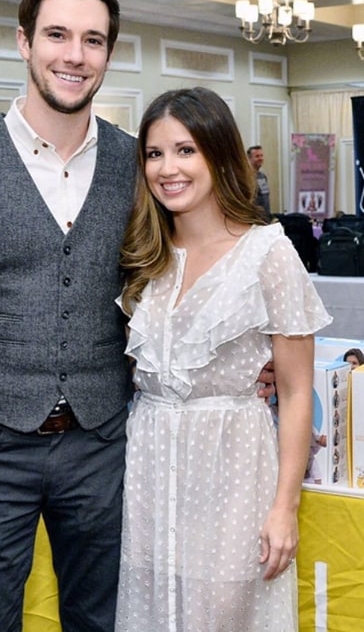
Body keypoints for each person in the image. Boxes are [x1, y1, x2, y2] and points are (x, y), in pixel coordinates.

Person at [0, 0, 276, 632]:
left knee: (106, 622)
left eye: (93, 40)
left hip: (107, 443)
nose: (74, 55)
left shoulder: (142, 167)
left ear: (108, 52)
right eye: (58, 35)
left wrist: (252, 362)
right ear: (24, 42)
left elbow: (196, 272)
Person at [115, 87, 331, 631]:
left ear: (219, 153)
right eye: (155, 153)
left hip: (233, 473)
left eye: (186, 150)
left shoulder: (267, 252)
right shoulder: (144, 254)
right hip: (148, 474)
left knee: (226, 615)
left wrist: (285, 508)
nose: (169, 168)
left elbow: (299, 389)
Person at [247, 144, 271, 219]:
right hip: (254, 219)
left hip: (265, 218)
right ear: (249, 158)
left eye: (261, 155)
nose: (260, 158)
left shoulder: (262, 176)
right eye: (257, 156)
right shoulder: (246, 177)